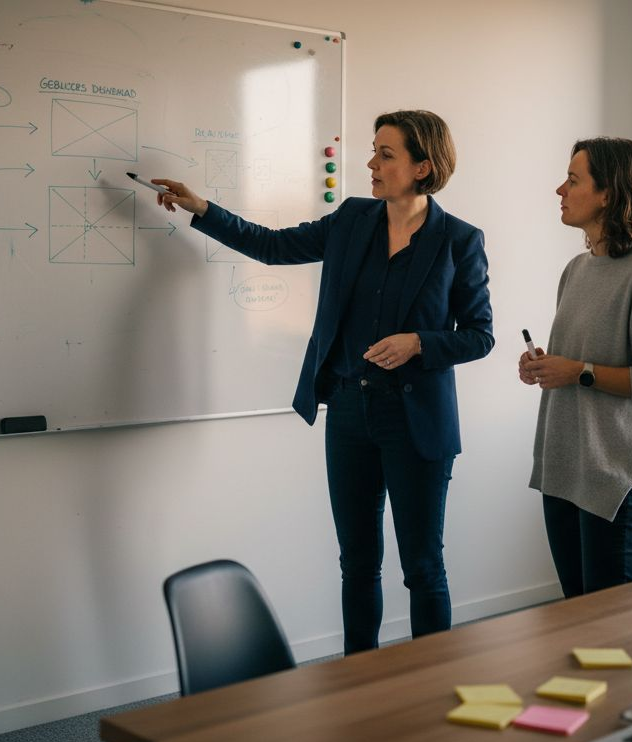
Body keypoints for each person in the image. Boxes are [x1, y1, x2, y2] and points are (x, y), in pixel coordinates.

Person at [152, 110, 493, 653]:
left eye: (386, 154)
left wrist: (420, 342)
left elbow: (480, 335)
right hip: (350, 413)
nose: (371, 163)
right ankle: (358, 683)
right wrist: (202, 209)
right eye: (373, 150)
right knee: (357, 564)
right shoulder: (352, 219)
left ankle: (434, 684)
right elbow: (272, 246)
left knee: (423, 567)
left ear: (423, 166)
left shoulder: (458, 240)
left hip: (417, 424)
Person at [519, 137, 632, 597]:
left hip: (614, 482)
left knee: (606, 635)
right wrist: (543, 368)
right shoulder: (576, 270)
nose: (560, 189)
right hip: (562, 471)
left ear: (608, 194)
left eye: (573, 180)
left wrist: (578, 371)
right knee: (575, 623)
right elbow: (575, 366)